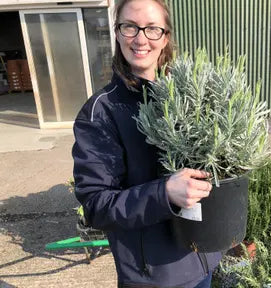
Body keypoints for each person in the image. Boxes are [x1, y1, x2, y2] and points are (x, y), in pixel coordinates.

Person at [72, 0, 222, 287]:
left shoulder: (188, 97)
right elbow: (96, 205)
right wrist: (164, 193)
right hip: (154, 277)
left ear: (165, 37)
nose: (141, 39)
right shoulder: (101, 113)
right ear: (117, 33)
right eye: (130, 27)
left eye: (152, 28)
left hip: (204, 259)